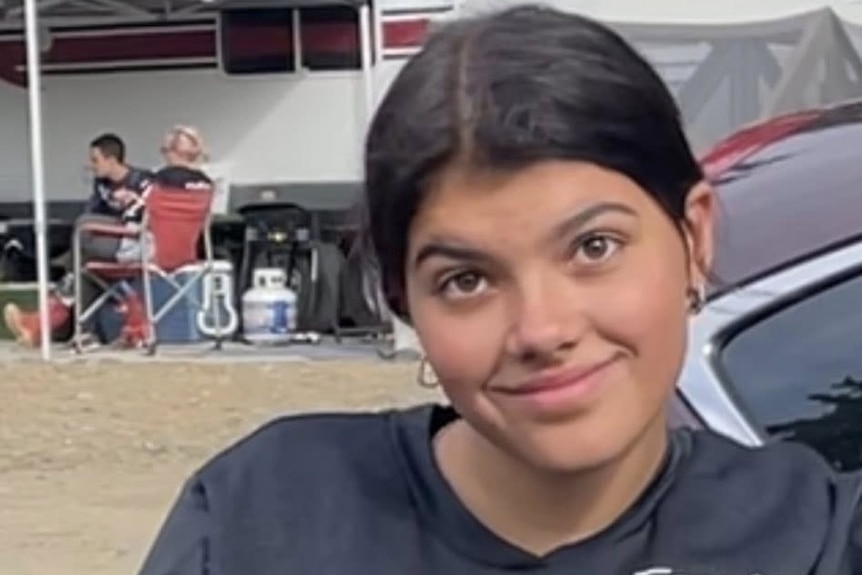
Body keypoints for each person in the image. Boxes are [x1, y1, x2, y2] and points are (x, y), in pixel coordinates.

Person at [137, 6, 862, 575]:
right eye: (466, 280)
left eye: (594, 247)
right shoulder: (262, 516)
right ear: (402, 298)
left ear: (694, 237)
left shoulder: (817, 534)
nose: (541, 330)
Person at [3, 133, 153, 348]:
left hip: (135, 244)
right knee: (83, 263)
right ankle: (82, 332)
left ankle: (40, 323)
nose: (91, 166)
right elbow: (94, 212)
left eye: (95, 160)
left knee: (82, 234)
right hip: (108, 244)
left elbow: (144, 218)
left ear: (112, 159)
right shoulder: (101, 184)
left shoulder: (142, 181)